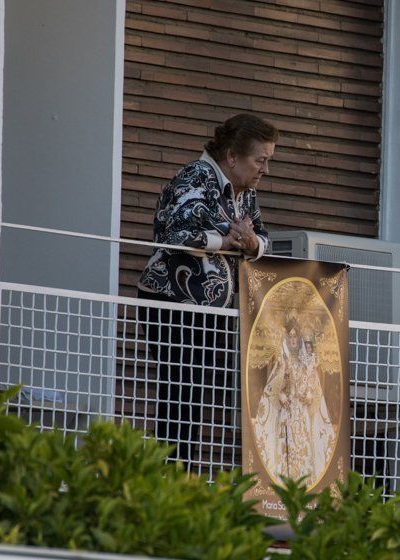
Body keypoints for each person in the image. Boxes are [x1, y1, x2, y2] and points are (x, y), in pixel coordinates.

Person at [136, 113, 277, 471]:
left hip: (211, 310)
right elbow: (172, 234)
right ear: (232, 156)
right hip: (172, 303)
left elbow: (263, 238)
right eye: (260, 160)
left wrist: (251, 244)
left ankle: (183, 473)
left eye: (268, 161)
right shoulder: (195, 178)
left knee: (193, 395)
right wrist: (224, 240)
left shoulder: (247, 194)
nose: (265, 169)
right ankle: (172, 475)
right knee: (179, 391)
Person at [253, 316, 336, 483]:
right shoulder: (283, 361)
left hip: (302, 413)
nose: (292, 340)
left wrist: (309, 395)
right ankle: (286, 479)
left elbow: (313, 387)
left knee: (302, 444)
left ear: (299, 339)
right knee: (287, 445)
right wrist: (283, 396)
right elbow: (276, 386)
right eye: (290, 337)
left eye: (295, 337)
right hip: (287, 412)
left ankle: (303, 480)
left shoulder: (307, 363)